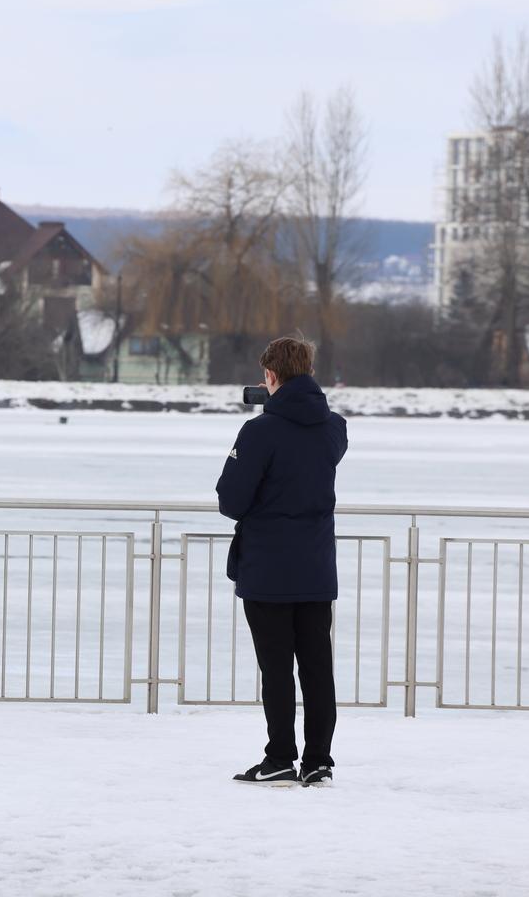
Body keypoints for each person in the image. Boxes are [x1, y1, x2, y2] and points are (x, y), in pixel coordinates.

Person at [216, 337, 348, 786]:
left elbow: (231, 499)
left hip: (268, 569)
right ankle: (319, 762)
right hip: (315, 566)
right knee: (316, 667)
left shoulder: (259, 432)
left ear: (270, 376)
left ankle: (279, 759)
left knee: (277, 669)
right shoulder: (334, 428)